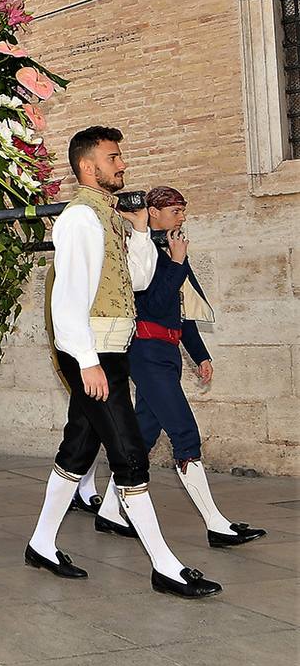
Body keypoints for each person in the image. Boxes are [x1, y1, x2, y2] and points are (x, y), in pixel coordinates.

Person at [26, 126, 220, 598]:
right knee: (130, 455)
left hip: (109, 350)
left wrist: (136, 232)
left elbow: (136, 280)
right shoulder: (79, 219)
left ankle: (41, 544)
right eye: (114, 158)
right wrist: (88, 363)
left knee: (77, 450)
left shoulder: (109, 219)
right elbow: (67, 299)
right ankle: (165, 566)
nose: (122, 165)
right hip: (92, 353)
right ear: (89, 167)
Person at [126, 186, 264, 547]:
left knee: (143, 436)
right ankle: (216, 525)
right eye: (174, 210)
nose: (182, 217)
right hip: (145, 351)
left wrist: (200, 354)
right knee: (184, 434)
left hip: (166, 353)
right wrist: (174, 261)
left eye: (183, 210)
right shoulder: (141, 250)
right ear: (152, 212)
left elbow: (182, 310)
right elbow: (153, 304)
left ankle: (111, 511)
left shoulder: (173, 250)